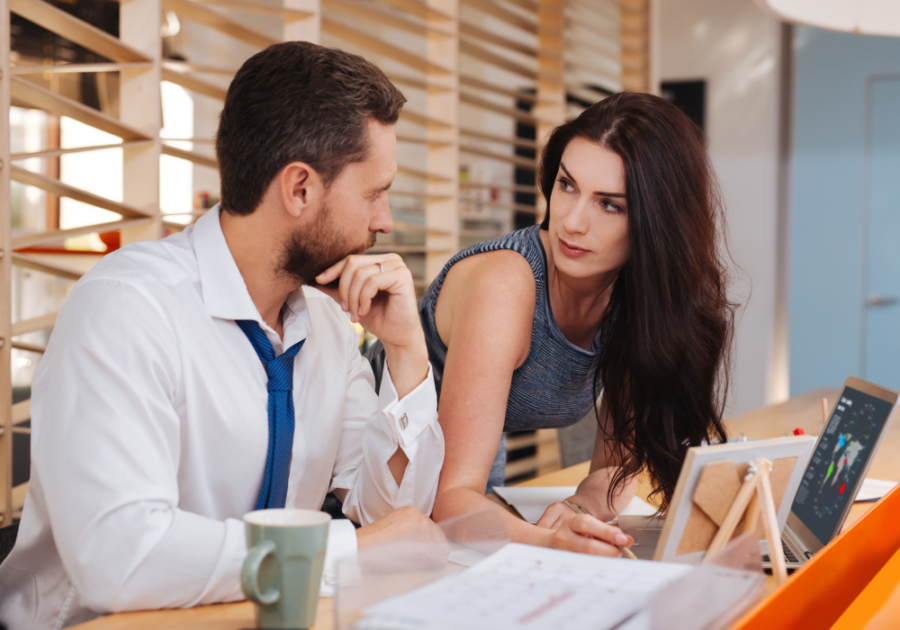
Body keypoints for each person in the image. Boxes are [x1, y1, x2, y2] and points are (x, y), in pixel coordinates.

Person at [0, 42, 445, 629]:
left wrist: (407, 352)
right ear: (300, 189)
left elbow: (395, 520)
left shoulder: (328, 327)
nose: (384, 221)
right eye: (373, 193)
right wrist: (340, 550)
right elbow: (121, 559)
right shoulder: (127, 309)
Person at [370, 92, 736, 555]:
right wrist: (550, 541)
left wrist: (582, 510)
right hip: (371, 474)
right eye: (567, 185)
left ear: (657, 222)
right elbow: (448, 498)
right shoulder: (505, 284)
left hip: (463, 482)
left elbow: (616, 467)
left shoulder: (635, 302)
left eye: (610, 204)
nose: (572, 222)